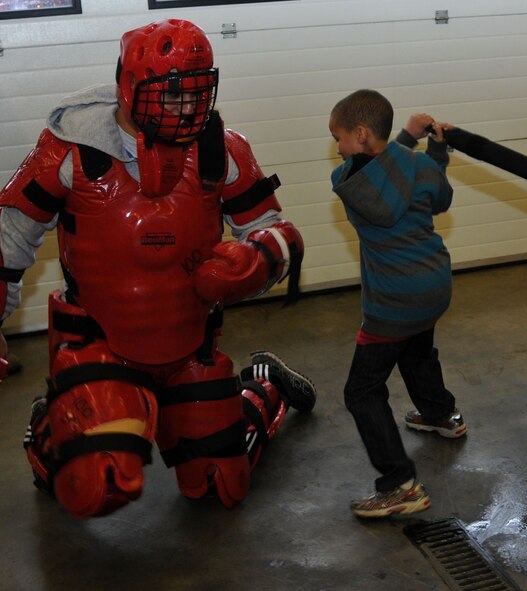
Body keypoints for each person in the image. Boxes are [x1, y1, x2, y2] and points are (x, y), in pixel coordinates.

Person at [0, 18, 316, 519]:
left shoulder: (222, 148)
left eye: (195, 94)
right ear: (129, 89)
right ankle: (52, 431)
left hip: (190, 345)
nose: (186, 109)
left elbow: (276, 228)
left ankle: (263, 384)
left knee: (218, 486)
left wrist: (258, 258)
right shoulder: (68, 151)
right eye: (170, 96)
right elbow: (10, 236)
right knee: (97, 485)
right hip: (98, 345)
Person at [328, 89, 466, 519]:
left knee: (361, 391)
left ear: (361, 133)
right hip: (433, 284)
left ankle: (399, 485)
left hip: (393, 299)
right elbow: (439, 196)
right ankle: (441, 414)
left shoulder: (348, 181)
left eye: (340, 137)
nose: (337, 147)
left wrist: (407, 137)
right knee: (417, 349)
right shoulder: (421, 164)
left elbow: (381, 173)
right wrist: (435, 148)